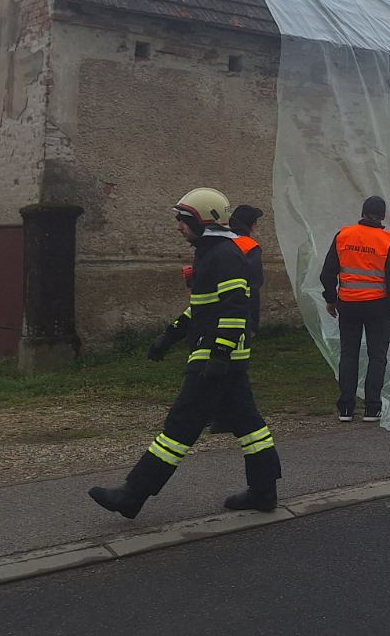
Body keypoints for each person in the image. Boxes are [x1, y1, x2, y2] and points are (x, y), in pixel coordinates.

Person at [88, 188, 280, 519]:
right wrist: (169, 336)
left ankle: (132, 495)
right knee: (249, 426)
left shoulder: (225, 255)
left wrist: (219, 353)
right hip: (223, 357)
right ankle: (263, 492)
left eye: (183, 219)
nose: (178, 226)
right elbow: (201, 310)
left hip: (214, 358)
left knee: (181, 425)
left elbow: (237, 307)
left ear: (203, 221)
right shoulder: (211, 254)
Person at [319, 195, 390, 423]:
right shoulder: (388, 241)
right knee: (377, 356)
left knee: (348, 354)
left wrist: (331, 299)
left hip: (348, 304)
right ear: (383, 216)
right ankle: (372, 408)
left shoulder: (343, 236)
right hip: (378, 306)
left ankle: (346, 408)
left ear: (362, 212)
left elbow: (328, 272)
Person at [229, 205, 266, 333]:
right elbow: (254, 284)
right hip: (241, 308)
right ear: (252, 224)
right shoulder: (250, 247)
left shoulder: (221, 242)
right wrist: (253, 323)